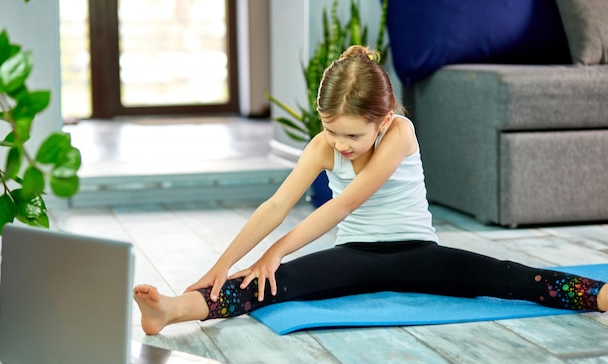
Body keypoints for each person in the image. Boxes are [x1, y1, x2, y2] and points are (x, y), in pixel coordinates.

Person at [134, 45, 607, 335]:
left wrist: (275, 249)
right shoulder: (325, 144)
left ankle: (602, 296)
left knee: (513, 277)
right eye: (331, 131)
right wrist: (221, 265)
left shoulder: (399, 132)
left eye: (352, 136)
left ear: (380, 120)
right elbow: (276, 204)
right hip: (355, 255)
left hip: (421, 254)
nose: (340, 145)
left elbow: (347, 201)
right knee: (265, 284)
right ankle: (173, 311)